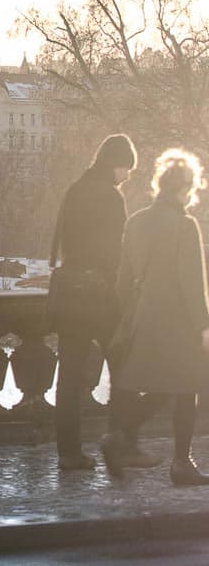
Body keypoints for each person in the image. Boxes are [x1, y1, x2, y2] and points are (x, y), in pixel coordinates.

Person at [102, 148, 209, 485]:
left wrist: (125, 321)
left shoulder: (137, 221)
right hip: (178, 320)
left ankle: (119, 437)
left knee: (164, 387)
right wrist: (204, 325)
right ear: (186, 187)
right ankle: (181, 463)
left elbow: (123, 279)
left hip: (144, 317)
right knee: (187, 386)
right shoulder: (184, 225)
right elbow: (191, 282)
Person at [49, 133, 137, 470]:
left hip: (71, 294)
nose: (127, 175)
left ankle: (68, 452)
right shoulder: (111, 197)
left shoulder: (75, 189)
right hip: (100, 296)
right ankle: (118, 440)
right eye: (126, 168)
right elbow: (117, 252)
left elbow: (61, 244)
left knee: (68, 377)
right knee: (124, 367)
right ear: (115, 164)